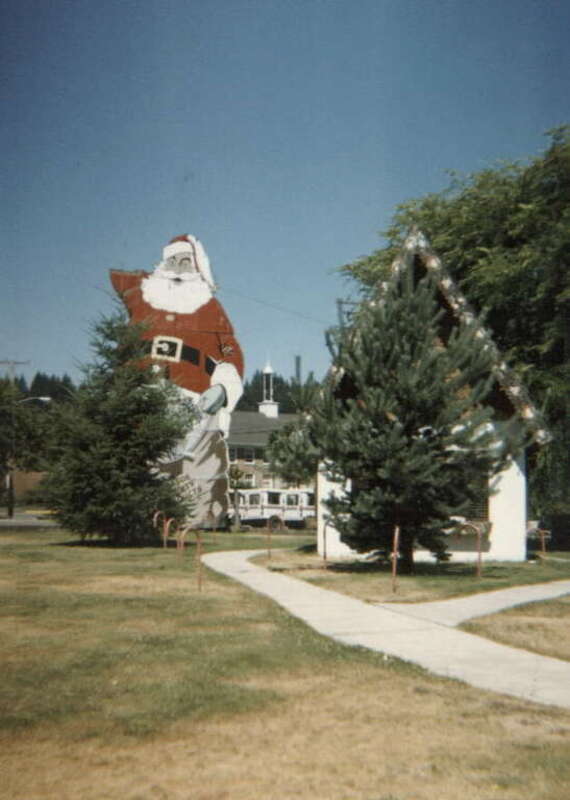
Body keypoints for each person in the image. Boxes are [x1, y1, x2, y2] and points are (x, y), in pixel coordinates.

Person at [110, 234, 244, 527]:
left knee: (200, 462)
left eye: (186, 261)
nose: (179, 267)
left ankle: (201, 521)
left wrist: (223, 387)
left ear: (198, 266)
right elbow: (121, 282)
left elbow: (230, 351)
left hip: (195, 396)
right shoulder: (140, 297)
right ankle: (141, 521)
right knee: (145, 459)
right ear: (162, 263)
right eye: (173, 260)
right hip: (144, 393)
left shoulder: (211, 309)